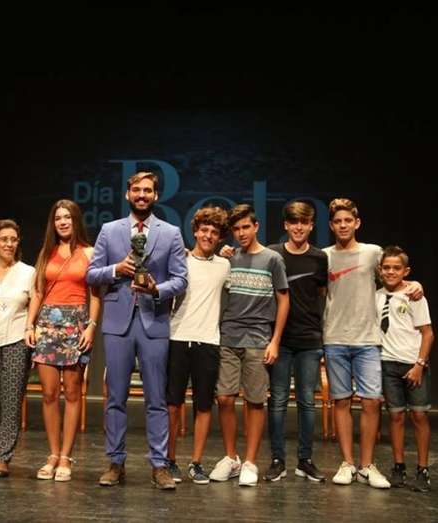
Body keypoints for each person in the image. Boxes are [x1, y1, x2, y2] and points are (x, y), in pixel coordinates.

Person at [86, 171, 188, 490]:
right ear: (128, 194)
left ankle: (159, 465)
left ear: (156, 195)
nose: (142, 195)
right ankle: (115, 462)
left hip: (153, 321)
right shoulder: (109, 230)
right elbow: (91, 274)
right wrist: (116, 269)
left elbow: (181, 279)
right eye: (136, 190)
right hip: (118, 322)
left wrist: (157, 290)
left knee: (156, 398)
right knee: (115, 397)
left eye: (148, 190)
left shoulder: (170, 233)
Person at [323, 198, 422, 489]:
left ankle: (367, 465)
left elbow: (395, 274)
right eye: (338, 221)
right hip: (335, 337)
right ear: (331, 226)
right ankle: (347, 463)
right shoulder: (324, 256)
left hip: (367, 339)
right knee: (341, 401)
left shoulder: (372, 252)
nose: (343, 225)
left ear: (357, 223)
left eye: (348, 220)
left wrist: (416, 284)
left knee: (371, 402)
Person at [209, 204, 289, 487]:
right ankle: (232, 457)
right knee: (225, 398)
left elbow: (283, 300)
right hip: (229, 336)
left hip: (258, 339)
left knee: (255, 401)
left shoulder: (272, 259)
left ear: (256, 227)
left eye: (246, 227)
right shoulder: (229, 258)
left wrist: (275, 341)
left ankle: (251, 461)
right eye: (236, 229)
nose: (241, 233)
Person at [26, 200, 101, 482]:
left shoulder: (89, 253)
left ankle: (66, 457)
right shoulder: (46, 252)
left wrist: (91, 326)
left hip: (75, 326)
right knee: (48, 393)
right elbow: (37, 292)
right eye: (58, 217)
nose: (63, 222)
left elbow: (96, 294)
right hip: (46, 326)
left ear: (76, 220)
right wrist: (29, 325)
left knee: (72, 392)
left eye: (67, 217)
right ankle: (53, 454)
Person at [263, 201, 328, 483]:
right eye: (294, 222)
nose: (299, 227)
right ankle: (278, 460)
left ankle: (305, 460)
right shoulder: (273, 254)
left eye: (304, 222)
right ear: (286, 225)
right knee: (277, 400)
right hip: (280, 340)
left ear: (311, 225)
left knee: (307, 402)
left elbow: (321, 294)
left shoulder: (319, 258)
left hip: (309, 340)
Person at [164, 206, 230, 485]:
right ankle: (169, 461)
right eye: (204, 230)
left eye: (214, 232)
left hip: (208, 341)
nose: (208, 235)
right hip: (177, 338)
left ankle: (196, 462)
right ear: (195, 231)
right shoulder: (180, 261)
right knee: (173, 404)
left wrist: (230, 254)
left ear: (219, 237)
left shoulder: (225, 265)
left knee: (203, 405)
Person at [0, 219, 35, 478]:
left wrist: (30, 327)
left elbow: (35, 300)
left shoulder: (27, 272)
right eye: (4, 239)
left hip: (15, 340)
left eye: (13, 239)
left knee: (11, 401)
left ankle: (4, 457)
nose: (9, 244)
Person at [377, 246, 435, 492]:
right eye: (386, 268)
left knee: (419, 415)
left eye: (396, 268)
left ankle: (423, 469)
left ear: (406, 271)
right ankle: (398, 466)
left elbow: (428, 333)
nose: (391, 272)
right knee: (396, 416)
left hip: (413, 364)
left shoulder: (414, 295)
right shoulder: (376, 296)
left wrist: (419, 364)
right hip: (387, 363)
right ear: (380, 270)